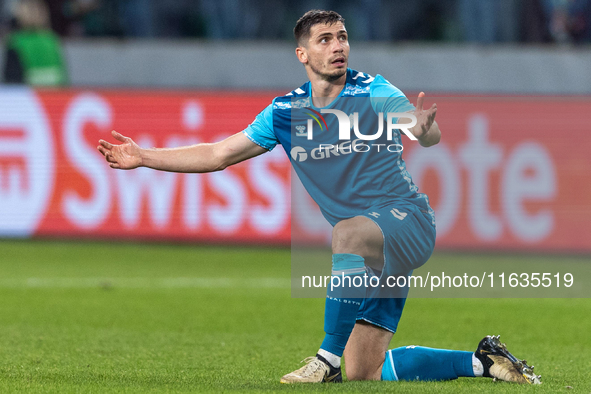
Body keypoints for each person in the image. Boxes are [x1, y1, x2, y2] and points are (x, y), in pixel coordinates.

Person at [97, 10, 541, 385]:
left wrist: (424, 130)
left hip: (406, 223)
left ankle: (323, 364)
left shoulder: (372, 90)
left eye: (342, 37)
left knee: (346, 233)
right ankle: (482, 362)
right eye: (325, 39)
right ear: (303, 54)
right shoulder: (285, 113)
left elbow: (420, 126)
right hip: (369, 252)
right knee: (365, 372)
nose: (337, 46)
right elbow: (217, 154)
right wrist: (144, 157)